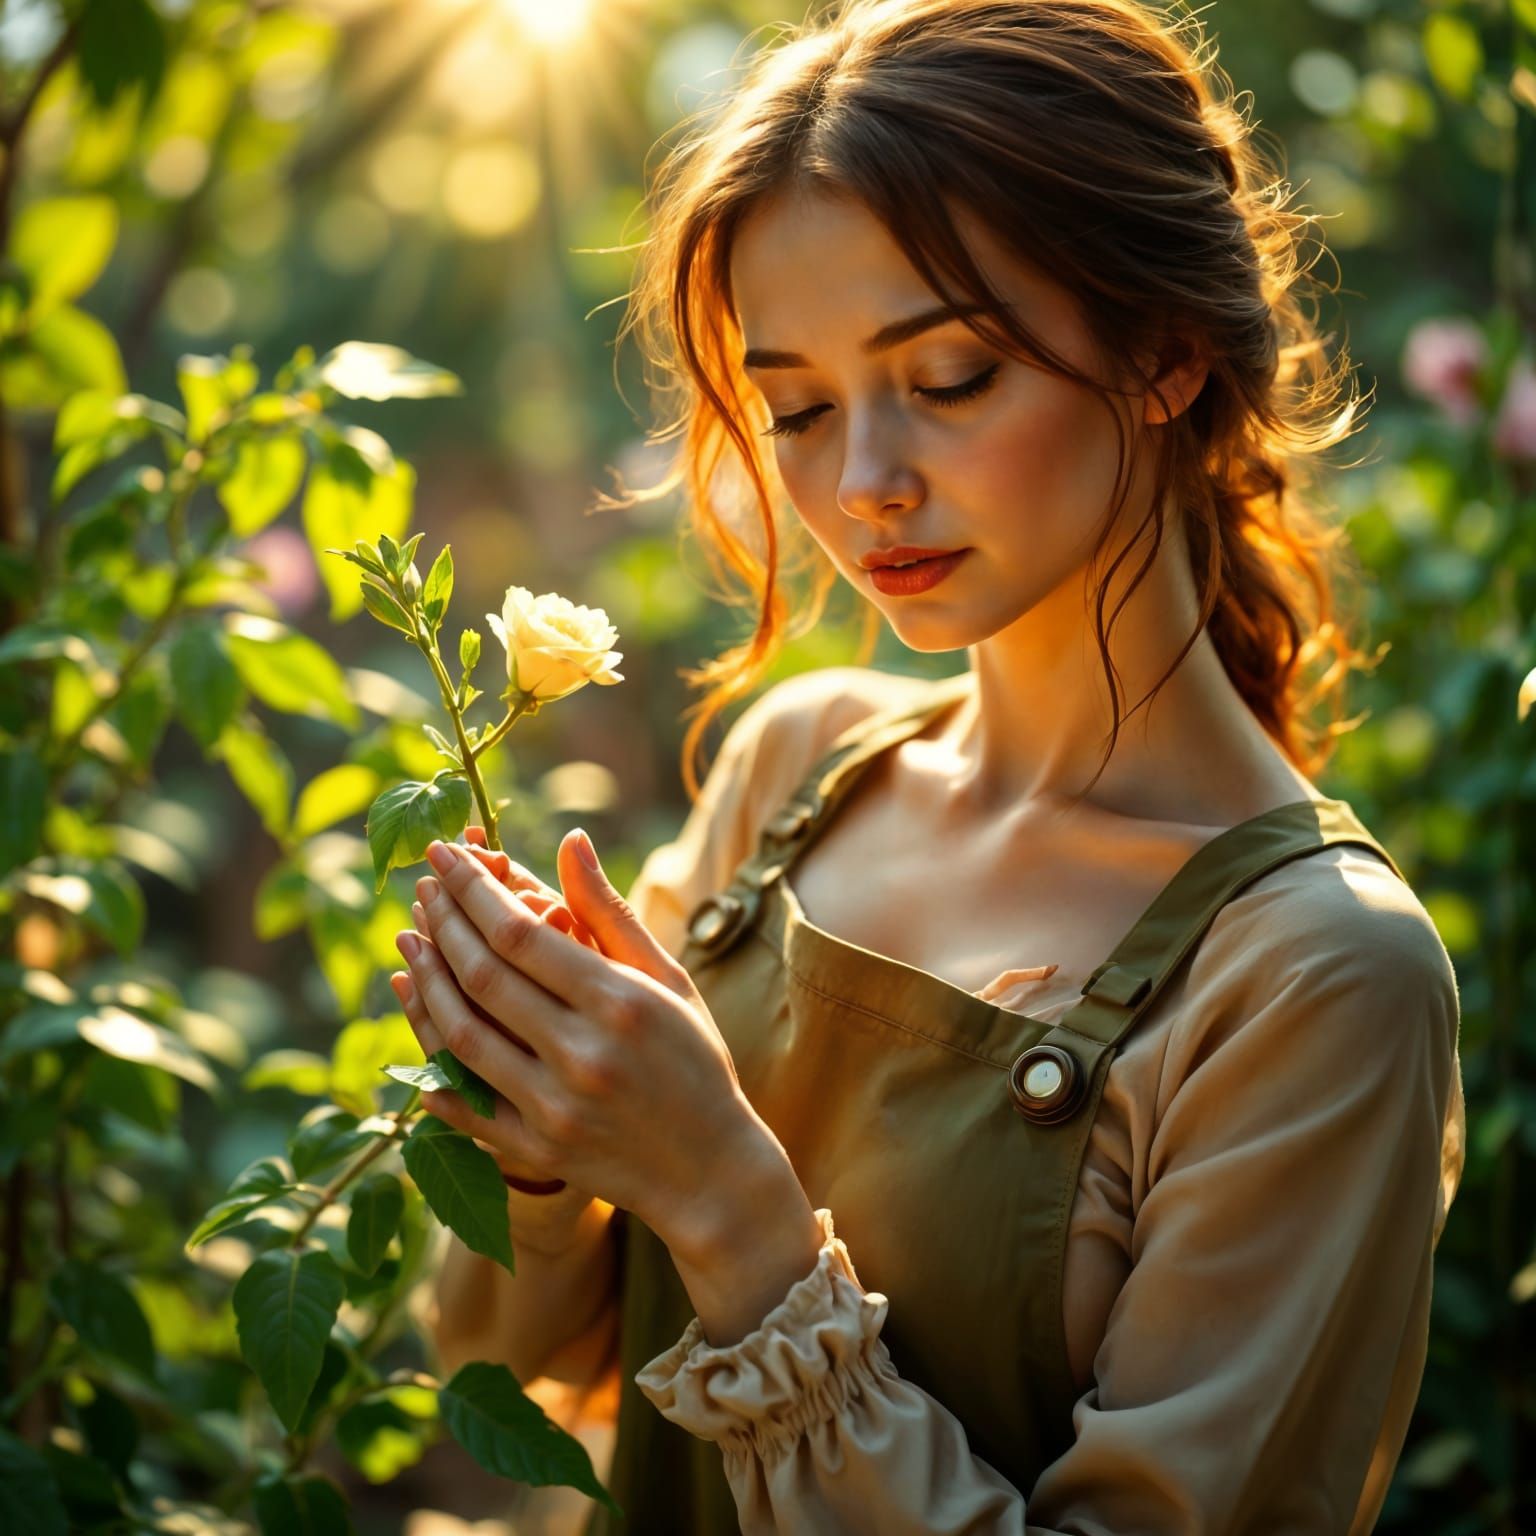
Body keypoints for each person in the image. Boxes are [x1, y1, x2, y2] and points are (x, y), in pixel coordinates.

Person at [390, 0, 1467, 1531]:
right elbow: (508, 1362)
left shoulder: (1314, 977)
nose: (864, 483)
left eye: (952, 376)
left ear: (1163, 352)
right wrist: (543, 1138)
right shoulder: (795, 772)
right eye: (800, 409)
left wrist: (723, 1199)